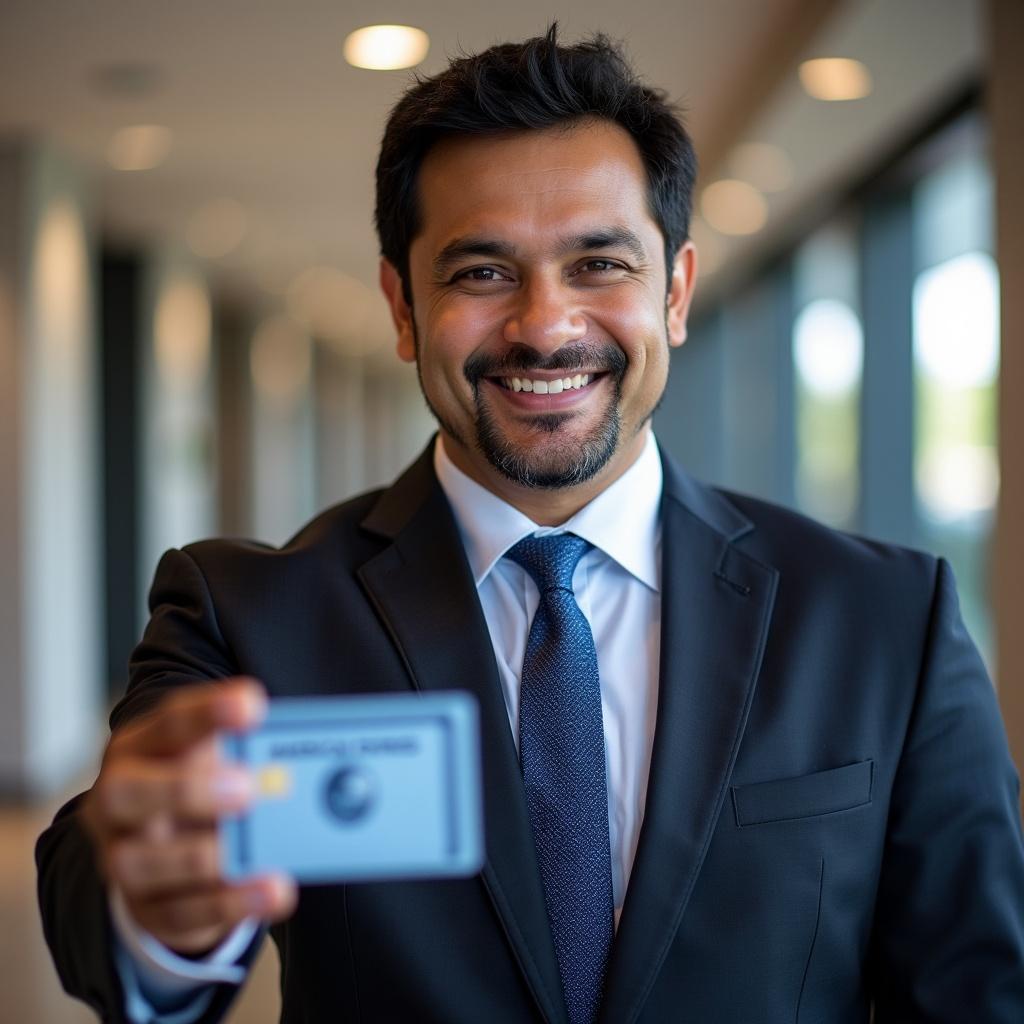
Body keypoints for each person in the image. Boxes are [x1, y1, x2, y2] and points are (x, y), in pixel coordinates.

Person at [37, 25, 1024, 1024]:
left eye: (599, 263)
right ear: (402, 305)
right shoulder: (249, 615)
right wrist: (153, 904)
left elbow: (976, 988)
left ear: (674, 291)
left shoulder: (882, 617)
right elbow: (97, 896)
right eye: (481, 273)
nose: (546, 325)